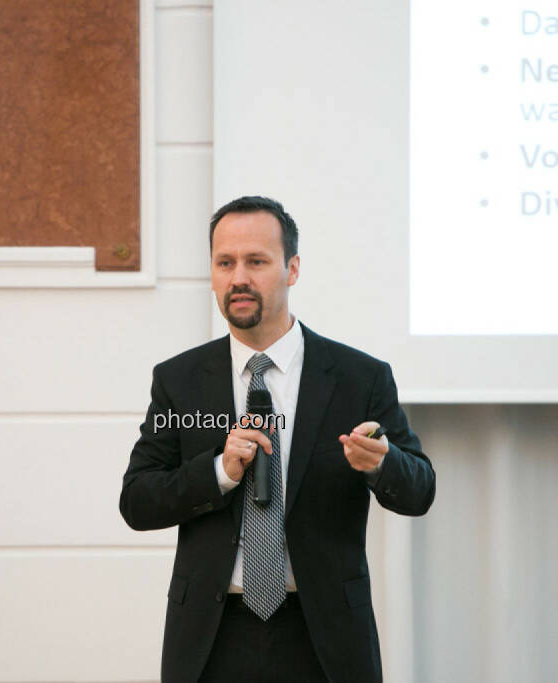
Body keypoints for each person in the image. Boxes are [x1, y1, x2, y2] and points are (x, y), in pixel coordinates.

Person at [119, 196, 436, 682]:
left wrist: (380, 463)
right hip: (211, 637)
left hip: (323, 637)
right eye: (225, 263)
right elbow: (138, 501)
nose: (238, 278)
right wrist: (218, 473)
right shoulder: (179, 381)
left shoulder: (359, 378)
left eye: (256, 261)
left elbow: (419, 491)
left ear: (292, 269)